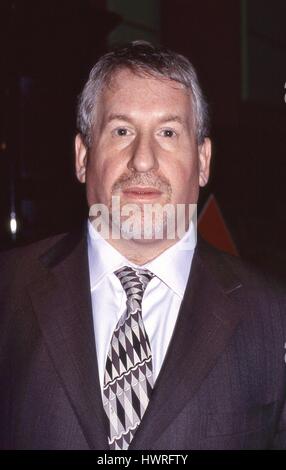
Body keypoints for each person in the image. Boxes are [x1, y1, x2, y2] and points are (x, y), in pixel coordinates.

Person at [0, 41, 285, 450]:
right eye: (121, 131)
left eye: (168, 132)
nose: (144, 161)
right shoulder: (7, 291)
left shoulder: (276, 319)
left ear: (203, 161)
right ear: (82, 157)